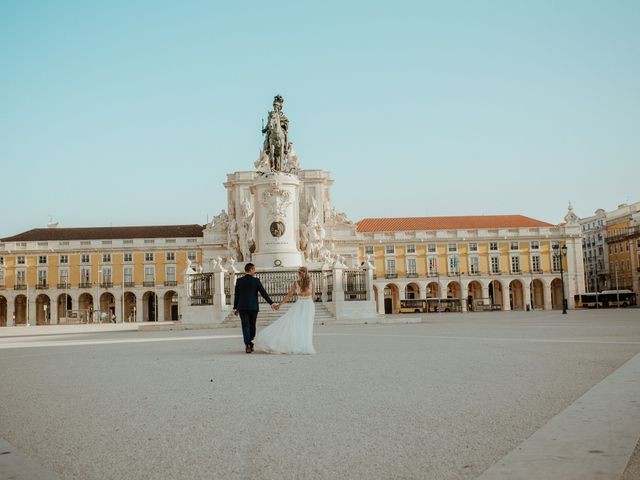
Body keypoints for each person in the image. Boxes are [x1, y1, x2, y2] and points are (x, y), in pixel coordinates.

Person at [254, 266, 316, 355]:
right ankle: (304, 346)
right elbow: (313, 297)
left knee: (294, 324)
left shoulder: (296, 283)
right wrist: (311, 305)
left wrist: (279, 305)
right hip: (309, 305)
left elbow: (289, 295)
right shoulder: (311, 282)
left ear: (299, 273)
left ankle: (295, 344)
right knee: (306, 326)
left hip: (300, 304)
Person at [233, 263, 277, 354]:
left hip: (242, 307)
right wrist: (271, 303)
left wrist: (235, 308)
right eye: (254, 269)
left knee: (245, 326)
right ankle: (251, 342)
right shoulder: (256, 280)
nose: (255, 271)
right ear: (251, 269)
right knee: (252, 325)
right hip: (253, 307)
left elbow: (236, 295)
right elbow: (263, 293)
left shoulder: (239, 281)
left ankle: (248, 344)